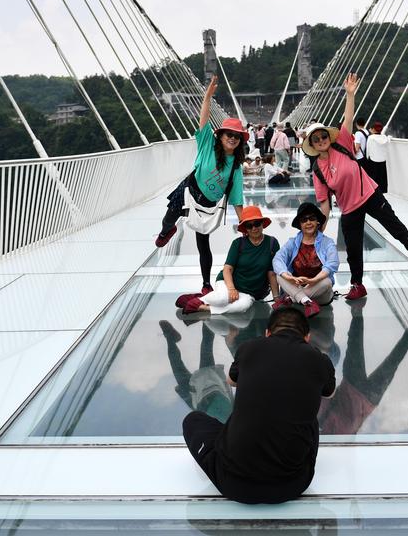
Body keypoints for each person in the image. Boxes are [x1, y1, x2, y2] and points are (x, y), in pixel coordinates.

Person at [181, 307, 336, 504]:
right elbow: (329, 393)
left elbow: (231, 381)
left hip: (233, 484)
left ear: (268, 333)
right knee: (309, 418)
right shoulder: (320, 360)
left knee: (193, 420)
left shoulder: (249, 347)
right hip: (293, 484)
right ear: (307, 337)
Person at [302, 73, 408, 301]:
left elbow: (348, 120)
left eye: (322, 136)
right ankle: (357, 284)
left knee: (392, 223)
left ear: (328, 137)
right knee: (352, 247)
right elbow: (324, 203)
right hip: (349, 207)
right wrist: (319, 230)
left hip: (368, 193)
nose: (321, 140)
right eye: (316, 139)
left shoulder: (341, 142)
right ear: (311, 144)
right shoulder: (317, 169)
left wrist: (350, 95)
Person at [156, 76, 247, 294]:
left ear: (240, 141)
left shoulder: (236, 167)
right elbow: (204, 120)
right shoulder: (207, 144)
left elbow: (237, 200)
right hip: (189, 191)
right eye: (229, 135)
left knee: (202, 243)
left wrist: (246, 227)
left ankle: (206, 284)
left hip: (207, 205)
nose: (232, 139)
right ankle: (166, 231)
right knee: (169, 217)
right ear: (221, 136)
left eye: (237, 136)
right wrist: (207, 97)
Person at [319, 300, 408, 435]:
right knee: (356, 344)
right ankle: (357, 311)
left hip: (368, 400)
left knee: (391, 363)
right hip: (354, 387)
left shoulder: (330, 429)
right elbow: (326, 393)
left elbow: (326, 395)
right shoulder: (321, 422)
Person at [176, 206, 280, 314]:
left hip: (251, 292)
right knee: (221, 299)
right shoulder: (238, 243)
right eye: (249, 225)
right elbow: (227, 269)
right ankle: (199, 300)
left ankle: (203, 307)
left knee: (242, 307)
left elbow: (272, 273)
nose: (254, 228)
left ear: (262, 223)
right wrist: (231, 289)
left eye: (257, 223)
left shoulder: (272, 243)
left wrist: (276, 298)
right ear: (245, 228)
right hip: (229, 282)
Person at [272, 202, 339, 318]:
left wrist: (313, 281)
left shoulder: (327, 242)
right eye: (304, 220)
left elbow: (332, 264)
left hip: (320, 292)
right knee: (280, 275)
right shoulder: (292, 242)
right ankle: (306, 302)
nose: (308, 222)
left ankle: (294, 298)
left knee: (327, 282)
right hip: (298, 286)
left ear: (317, 222)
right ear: (300, 224)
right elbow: (277, 259)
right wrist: (290, 278)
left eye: (312, 218)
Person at [364, 121, 391, 193]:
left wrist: (367, 158)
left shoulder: (371, 138)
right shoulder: (385, 137)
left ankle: (373, 192)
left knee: (373, 178)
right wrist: (389, 137)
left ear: (373, 129)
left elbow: (368, 150)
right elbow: (389, 140)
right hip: (383, 160)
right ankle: (382, 191)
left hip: (373, 160)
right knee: (382, 178)